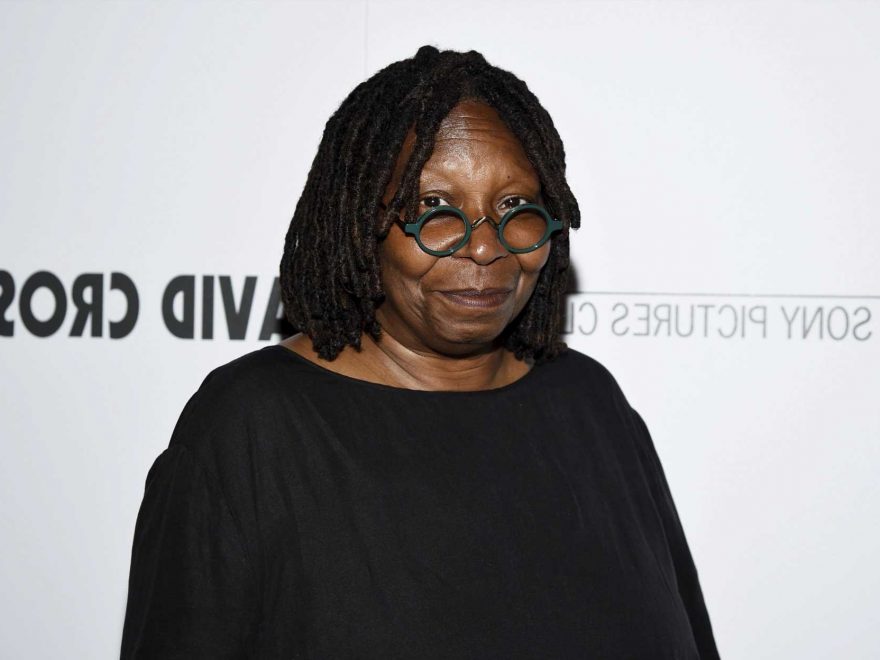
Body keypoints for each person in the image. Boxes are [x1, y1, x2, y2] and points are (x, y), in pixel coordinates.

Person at [120, 45, 721, 659]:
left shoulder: (589, 403)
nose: (484, 248)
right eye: (435, 207)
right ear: (361, 222)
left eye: (514, 207)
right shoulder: (251, 427)